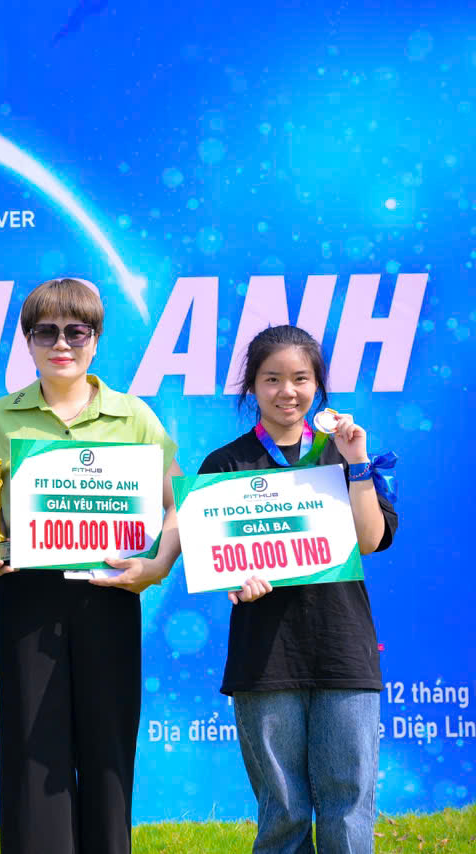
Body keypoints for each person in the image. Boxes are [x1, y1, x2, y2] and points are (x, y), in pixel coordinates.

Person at [0, 277, 182, 854]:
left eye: (76, 331)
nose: (61, 344)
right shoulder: (0, 417)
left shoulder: (133, 416)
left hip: (109, 592)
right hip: (27, 595)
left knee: (108, 743)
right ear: (27, 340)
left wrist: (157, 566)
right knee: (31, 746)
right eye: (46, 332)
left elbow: (178, 504)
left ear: (96, 339)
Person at [197, 325, 397, 854]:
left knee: (348, 809)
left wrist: (357, 462)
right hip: (266, 657)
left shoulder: (342, 453)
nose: (287, 391)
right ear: (252, 386)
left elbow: (370, 540)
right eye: (272, 379)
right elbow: (217, 562)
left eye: (301, 378)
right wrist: (236, 583)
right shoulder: (224, 464)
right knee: (283, 812)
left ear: (318, 384)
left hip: (342, 648)